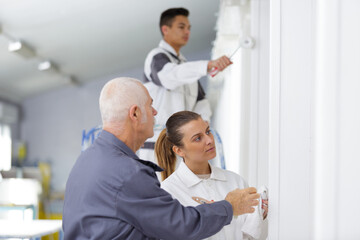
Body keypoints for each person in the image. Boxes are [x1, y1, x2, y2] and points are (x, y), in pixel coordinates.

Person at [63, 77, 260, 240]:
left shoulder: (86, 160)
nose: (156, 112)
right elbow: (180, 225)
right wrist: (229, 206)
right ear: (135, 113)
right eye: (150, 106)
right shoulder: (127, 173)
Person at [155, 111, 268, 240]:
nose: (209, 140)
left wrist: (261, 216)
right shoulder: (168, 192)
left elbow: (249, 234)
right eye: (198, 138)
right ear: (179, 150)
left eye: (208, 131)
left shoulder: (236, 181)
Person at [141, 7, 232, 165]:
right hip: (155, 146)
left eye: (189, 28)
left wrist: (201, 130)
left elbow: (201, 104)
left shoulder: (186, 69)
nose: (187, 32)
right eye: (181, 27)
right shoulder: (156, 57)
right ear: (165, 29)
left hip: (180, 148)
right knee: (154, 188)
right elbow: (170, 77)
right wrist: (208, 65)